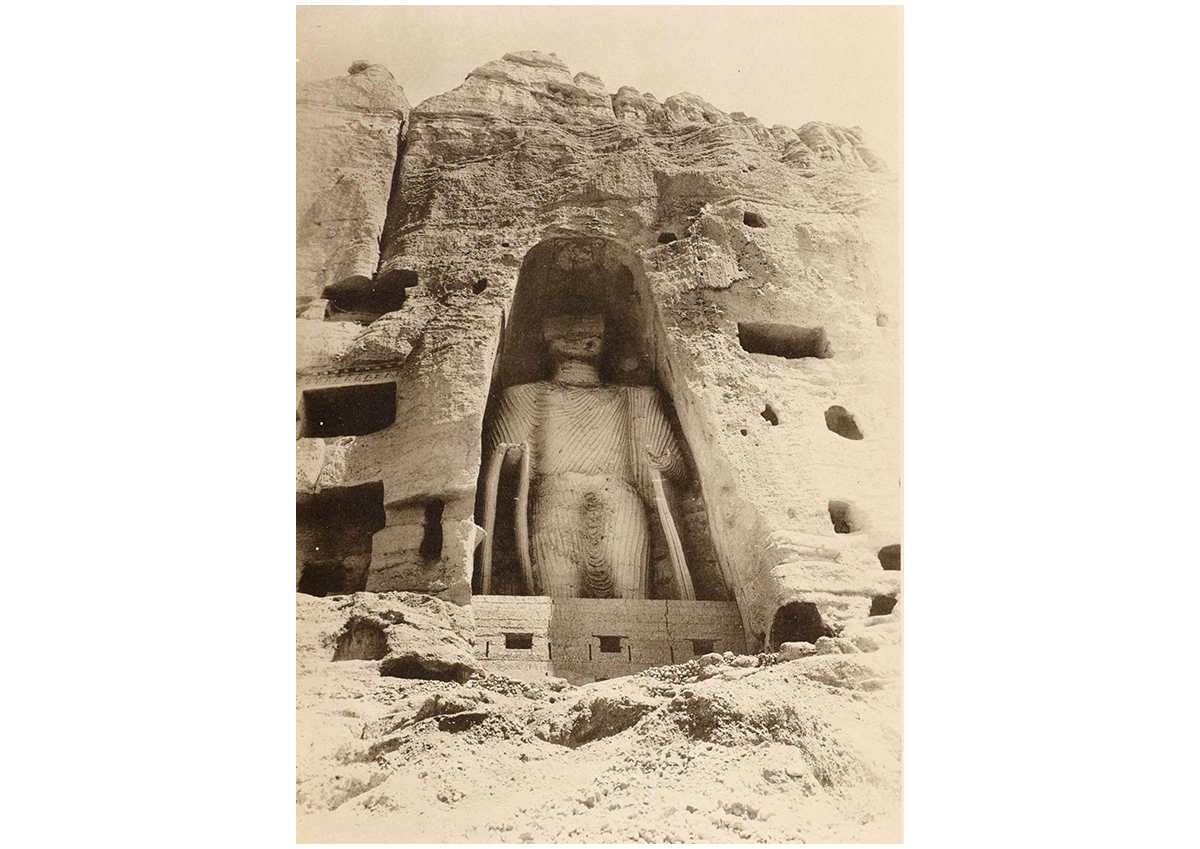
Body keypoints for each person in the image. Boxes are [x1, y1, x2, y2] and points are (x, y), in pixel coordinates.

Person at [479, 313, 694, 599]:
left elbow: (678, 472)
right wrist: (512, 457)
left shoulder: (636, 398)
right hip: (556, 499)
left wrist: (664, 462)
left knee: (633, 595)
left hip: (620, 497)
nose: (578, 344)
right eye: (567, 338)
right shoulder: (525, 396)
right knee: (559, 597)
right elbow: (497, 469)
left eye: (588, 338)